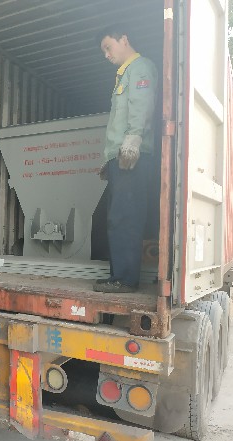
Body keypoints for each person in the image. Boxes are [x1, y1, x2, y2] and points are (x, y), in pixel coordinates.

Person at [93, 24, 158, 294]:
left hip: (133, 157)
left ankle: (125, 279)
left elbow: (140, 105)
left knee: (125, 217)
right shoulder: (123, 74)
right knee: (117, 217)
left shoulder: (139, 68)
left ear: (124, 39)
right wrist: (109, 159)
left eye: (108, 47)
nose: (106, 55)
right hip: (121, 158)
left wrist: (133, 139)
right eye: (103, 51)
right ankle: (119, 275)